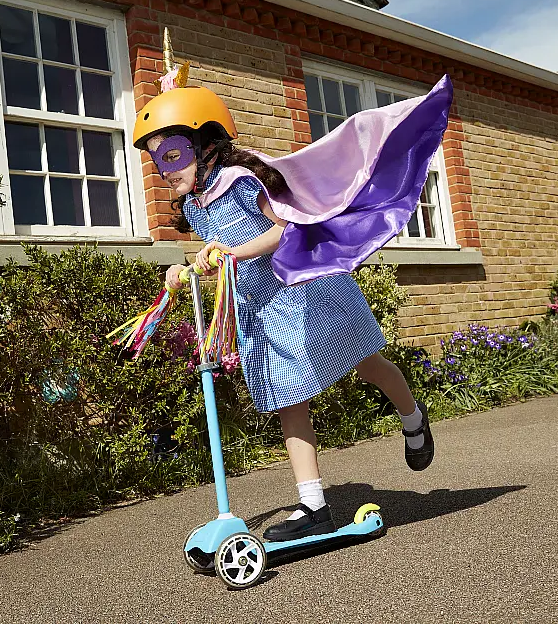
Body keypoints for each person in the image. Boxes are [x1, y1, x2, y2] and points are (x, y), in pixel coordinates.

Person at [131, 32, 451, 541]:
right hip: (262, 309)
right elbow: (214, 247)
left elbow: (283, 230)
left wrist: (234, 254)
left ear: (204, 144)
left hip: (307, 289)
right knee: (288, 397)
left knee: (366, 364)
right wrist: (185, 267)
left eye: (170, 153)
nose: (163, 169)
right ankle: (313, 505)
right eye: (155, 159)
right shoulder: (195, 204)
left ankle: (413, 417)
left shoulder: (241, 180)